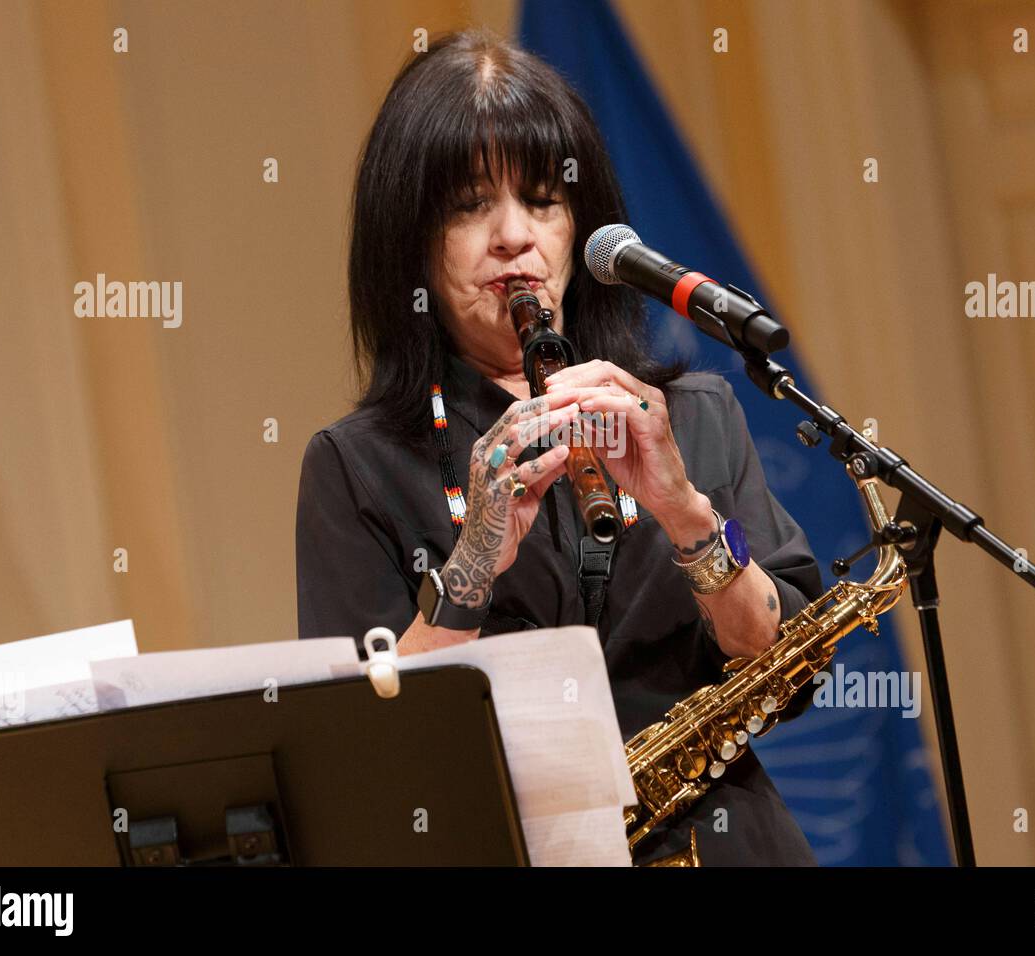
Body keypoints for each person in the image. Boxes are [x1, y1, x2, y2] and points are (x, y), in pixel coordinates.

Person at [295, 28, 825, 866]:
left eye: (544, 200)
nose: (516, 238)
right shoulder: (357, 465)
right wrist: (470, 568)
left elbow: (789, 674)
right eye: (471, 206)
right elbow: (360, 752)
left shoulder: (690, 412)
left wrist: (686, 514)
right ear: (411, 241)